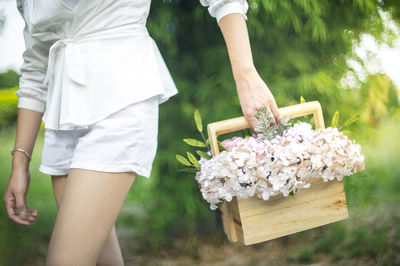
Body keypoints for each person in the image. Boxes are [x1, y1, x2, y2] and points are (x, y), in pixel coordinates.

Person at [4, 0, 282, 265]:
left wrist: (246, 75)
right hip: (63, 118)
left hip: (122, 96)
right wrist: (20, 163)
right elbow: (35, 68)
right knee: (101, 260)